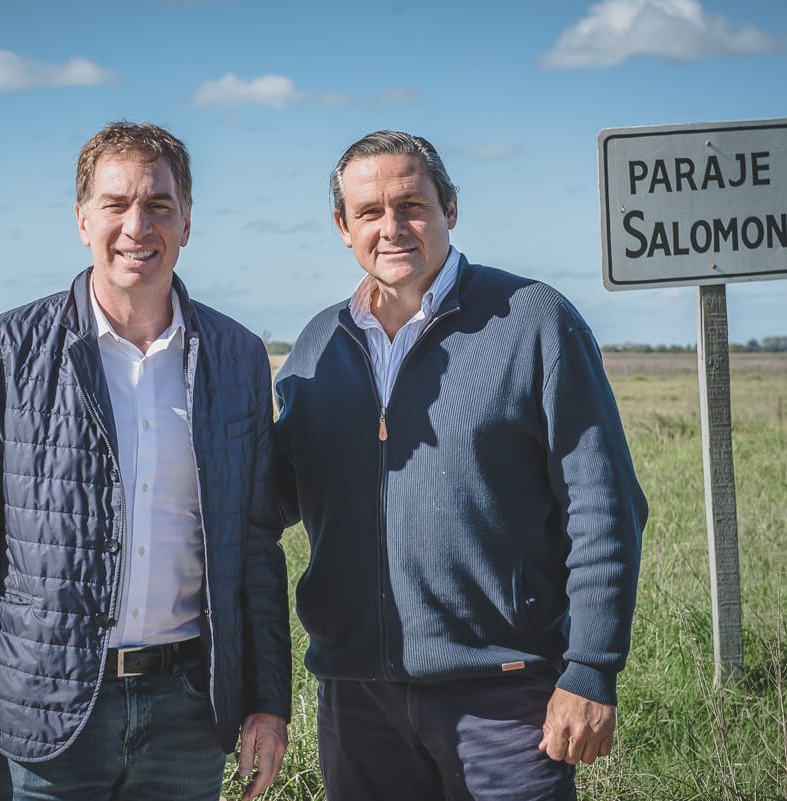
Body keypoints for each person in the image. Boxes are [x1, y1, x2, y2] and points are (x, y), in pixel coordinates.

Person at [0, 121, 290, 801]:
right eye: (116, 204)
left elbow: (256, 545)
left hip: (189, 713)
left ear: (186, 222)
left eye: (158, 205)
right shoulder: (9, 349)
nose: (136, 227)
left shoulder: (237, 357)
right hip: (46, 711)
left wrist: (268, 702)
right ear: (82, 218)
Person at [273, 130, 647, 801]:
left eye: (412, 205)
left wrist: (591, 668)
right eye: (369, 212)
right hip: (358, 700)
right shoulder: (319, 344)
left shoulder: (534, 320)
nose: (392, 227)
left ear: (450, 206)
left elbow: (604, 505)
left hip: (504, 696)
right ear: (342, 226)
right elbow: (269, 498)